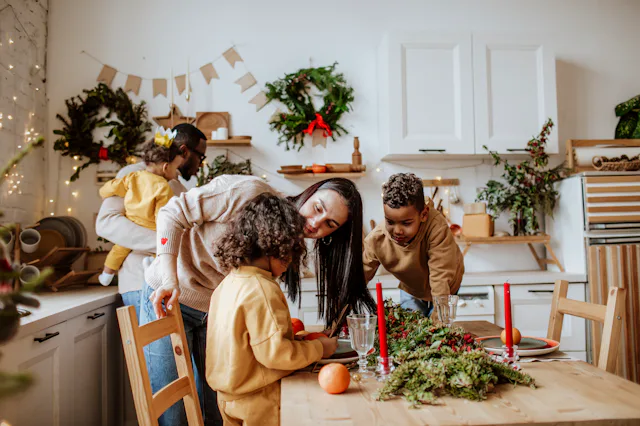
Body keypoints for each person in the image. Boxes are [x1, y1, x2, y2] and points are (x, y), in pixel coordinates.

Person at [141, 176, 374, 426]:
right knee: (174, 415)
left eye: (330, 224)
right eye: (318, 207)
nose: (315, 223)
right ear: (309, 192)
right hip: (168, 296)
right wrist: (169, 279)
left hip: (214, 310)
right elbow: (170, 213)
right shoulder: (248, 193)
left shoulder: (280, 248)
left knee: (213, 410)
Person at [206, 193, 338, 426]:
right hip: (258, 398)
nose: (290, 262)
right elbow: (276, 355)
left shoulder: (229, 283)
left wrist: (299, 341)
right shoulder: (262, 289)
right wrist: (319, 348)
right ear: (272, 244)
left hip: (227, 398)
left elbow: (250, 345)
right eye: (290, 252)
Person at [95, 123, 207, 319]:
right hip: (141, 284)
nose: (201, 165)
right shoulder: (135, 175)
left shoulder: (178, 186)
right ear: (184, 151)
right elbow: (107, 222)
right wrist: (167, 244)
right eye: (201, 157)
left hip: (175, 288)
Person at [363, 173, 464, 317]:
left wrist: (439, 321)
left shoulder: (437, 227)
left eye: (406, 223)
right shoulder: (377, 239)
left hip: (445, 286)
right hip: (412, 288)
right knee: (412, 330)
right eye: (390, 222)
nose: (397, 231)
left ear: (423, 214)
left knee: (438, 329)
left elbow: (440, 277)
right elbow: (358, 280)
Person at [97, 128, 185, 287]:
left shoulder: (132, 177)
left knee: (118, 250)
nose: (176, 172)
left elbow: (113, 187)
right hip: (151, 226)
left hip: (132, 220)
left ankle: (106, 275)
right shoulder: (164, 187)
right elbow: (164, 215)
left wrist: (103, 193)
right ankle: (152, 266)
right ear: (165, 167)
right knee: (162, 252)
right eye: (175, 167)